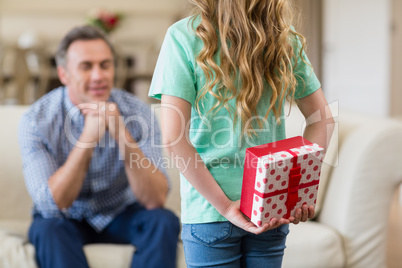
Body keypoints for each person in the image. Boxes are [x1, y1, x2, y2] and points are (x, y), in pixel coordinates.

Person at [149, 0, 334, 267]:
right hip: (270, 206)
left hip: (209, 213)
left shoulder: (183, 36)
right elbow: (322, 119)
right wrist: (296, 187)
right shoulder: (285, 39)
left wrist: (225, 207)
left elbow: (173, 138)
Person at [19, 25, 180, 268]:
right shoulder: (37, 120)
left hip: (121, 212)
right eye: (86, 66)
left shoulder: (139, 113)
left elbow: (155, 199)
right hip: (66, 218)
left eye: (105, 65)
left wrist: (120, 132)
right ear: (64, 74)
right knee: (48, 227)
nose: (98, 76)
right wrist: (88, 137)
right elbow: (52, 204)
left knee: (163, 221)